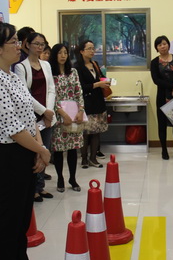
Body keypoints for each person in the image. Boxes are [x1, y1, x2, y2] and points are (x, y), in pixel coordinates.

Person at [0, 21, 51, 260]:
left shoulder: (12, 76)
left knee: (22, 218)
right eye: (12, 42)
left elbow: (28, 116)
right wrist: (42, 151)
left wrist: (38, 148)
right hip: (7, 155)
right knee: (9, 221)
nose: (18, 46)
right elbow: (12, 128)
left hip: (26, 150)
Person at [15, 32, 57, 202]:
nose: (40, 47)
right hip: (31, 116)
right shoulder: (21, 67)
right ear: (27, 45)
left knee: (44, 150)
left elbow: (51, 89)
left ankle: (40, 186)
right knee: (34, 153)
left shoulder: (46, 64)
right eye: (36, 44)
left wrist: (49, 111)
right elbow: (24, 94)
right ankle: (33, 189)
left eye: (42, 44)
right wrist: (43, 111)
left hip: (47, 115)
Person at [49, 43, 84, 192]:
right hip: (58, 115)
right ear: (54, 55)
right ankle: (60, 178)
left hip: (74, 113)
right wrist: (61, 112)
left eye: (65, 53)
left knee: (72, 149)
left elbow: (78, 92)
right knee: (58, 150)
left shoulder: (73, 72)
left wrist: (81, 110)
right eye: (60, 53)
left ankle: (72, 178)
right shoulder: (50, 72)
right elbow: (50, 95)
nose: (63, 56)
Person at [75, 40, 109, 168]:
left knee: (96, 132)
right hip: (86, 103)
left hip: (98, 102)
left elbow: (99, 79)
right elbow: (80, 87)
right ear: (82, 51)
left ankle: (93, 158)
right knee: (85, 132)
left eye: (93, 48)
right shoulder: (77, 67)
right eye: (89, 48)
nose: (92, 51)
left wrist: (104, 81)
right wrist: (97, 84)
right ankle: (84, 159)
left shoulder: (95, 64)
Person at [150, 35, 173, 160]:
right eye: (159, 45)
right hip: (162, 97)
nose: (162, 46)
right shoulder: (154, 62)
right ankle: (164, 150)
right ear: (157, 48)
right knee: (162, 125)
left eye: (164, 43)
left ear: (168, 44)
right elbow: (156, 80)